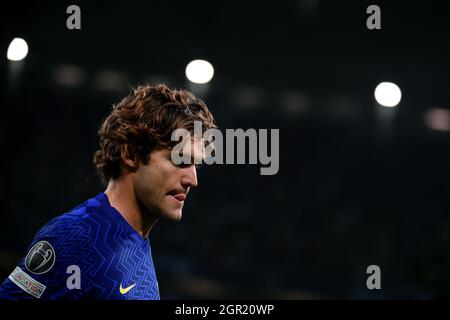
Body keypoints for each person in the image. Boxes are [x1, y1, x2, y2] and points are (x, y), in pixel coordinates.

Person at [0, 84, 216, 299]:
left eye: (196, 165)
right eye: (180, 160)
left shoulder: (135, 240)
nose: (193, 180)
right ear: (131, 154)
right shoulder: (76, 237)